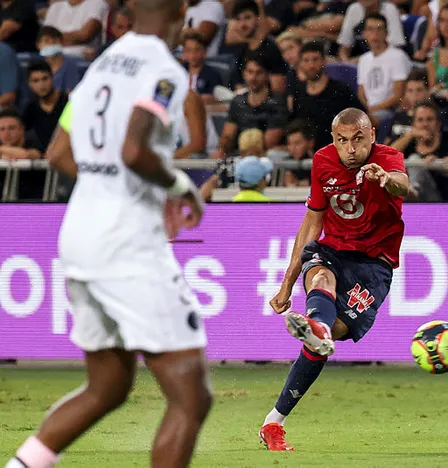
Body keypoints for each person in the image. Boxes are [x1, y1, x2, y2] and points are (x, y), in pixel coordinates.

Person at [4, 1, 212, 467]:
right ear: (182, 9)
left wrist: (108, 186)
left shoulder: (100, 65)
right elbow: (135, 150)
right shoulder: (164, 70)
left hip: (80, 234)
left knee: (108, 386)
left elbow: (58, 153)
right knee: (191, 396)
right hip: (126, 244)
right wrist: (180, 188)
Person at [259, 108, 410, 451]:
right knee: (321, 279)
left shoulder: (388, 158)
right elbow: (312, 223)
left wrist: (385, 178)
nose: (351, 148)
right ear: (333, 139)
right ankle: (318, 328)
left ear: (372, 136)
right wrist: (286, 284)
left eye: (358, 139)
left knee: (328, 338)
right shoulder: (323, 161)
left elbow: (404, 185)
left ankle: (272, 421)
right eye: (342, 140)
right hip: (332, 250)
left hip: (374, 264)